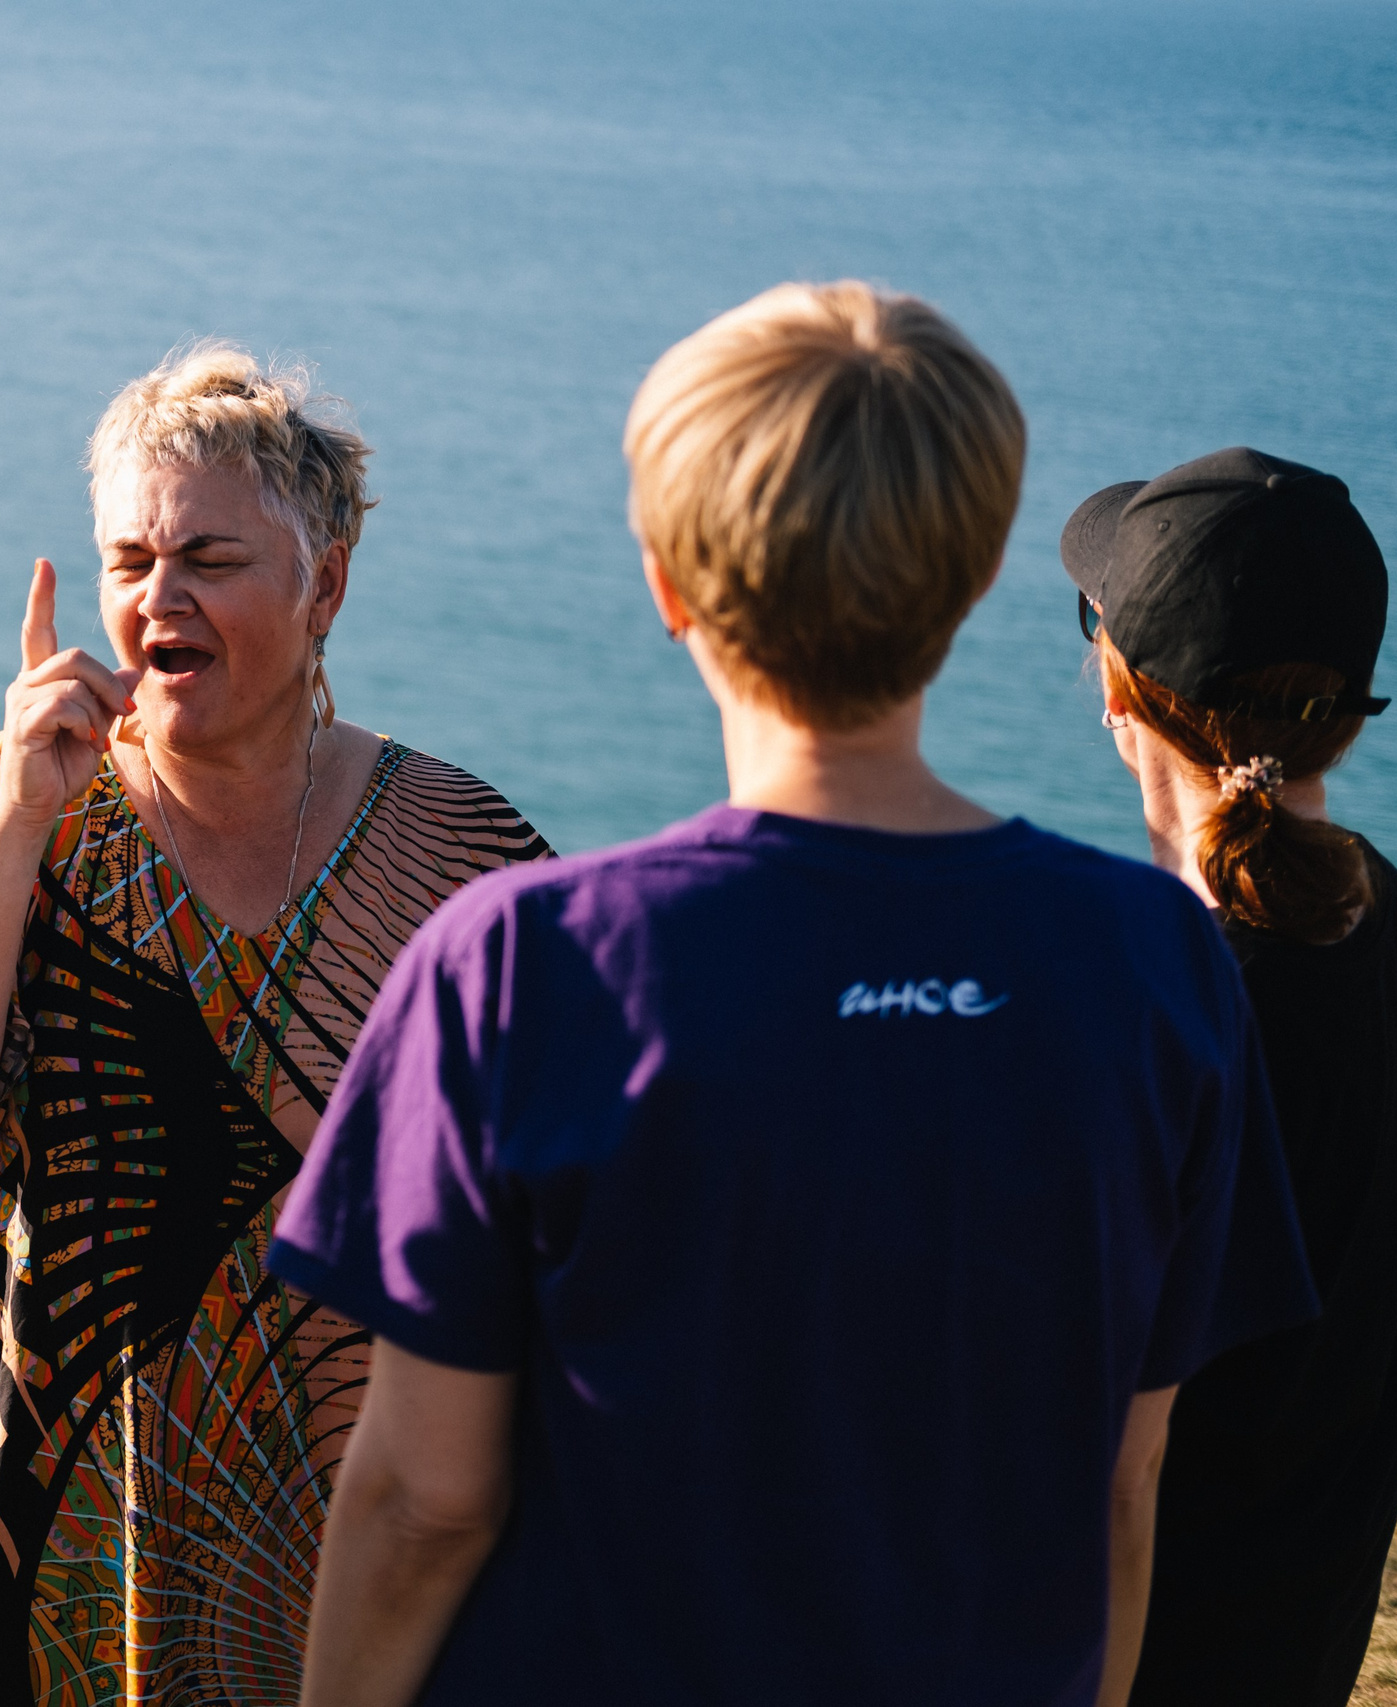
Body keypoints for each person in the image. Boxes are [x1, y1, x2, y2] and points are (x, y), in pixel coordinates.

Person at [268, 283, 1320, 1707]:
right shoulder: (1155, 962)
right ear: (968, 575)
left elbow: (422, 1498)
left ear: (668, 581)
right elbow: (1123, 1490)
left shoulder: (519, 963)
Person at [0, 343, 549, 1705]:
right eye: (129, 561)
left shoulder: (468, 859)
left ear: (323, 581)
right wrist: (23, 820)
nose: (158, 597)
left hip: (348, 1580)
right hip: (14, 1567)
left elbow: (549, 1239)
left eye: (210, 559)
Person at [1063, 449, 1397, 1707]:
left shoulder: (1152, 1007)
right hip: (1299, 1636)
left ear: (1120, 693)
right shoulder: (1387, 919)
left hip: (1124, 1657)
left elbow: (1096, 1448)